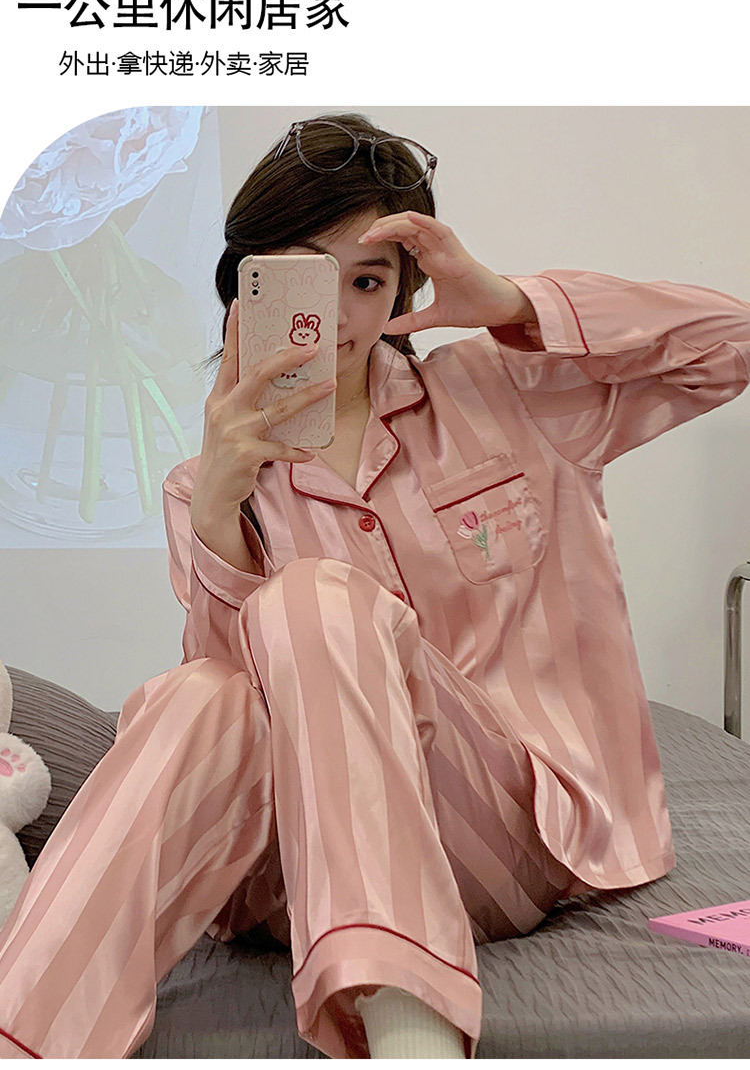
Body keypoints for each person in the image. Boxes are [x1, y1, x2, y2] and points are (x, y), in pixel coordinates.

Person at [1, 111, 750, 1061]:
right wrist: (223, 509)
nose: (340, 314)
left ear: (406, 290)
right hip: (291, 867)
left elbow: (729, 344)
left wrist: (509, 300)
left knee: (314, 599)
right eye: (306, 277)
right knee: (196, 696)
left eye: (368, 280)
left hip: (501, 833)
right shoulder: (204, 486)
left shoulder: (505, 392)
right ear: (248, 286)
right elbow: (241, 717)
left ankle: (409, 1027)